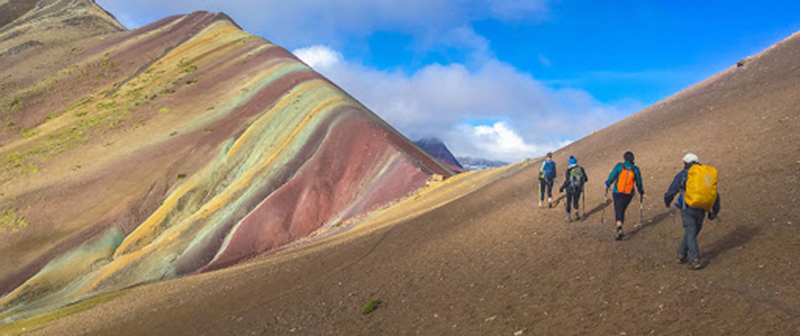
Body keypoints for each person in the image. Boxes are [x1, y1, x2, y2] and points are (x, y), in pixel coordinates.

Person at [664, 153, 721, 270]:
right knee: (693, 231)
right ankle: (682, 254)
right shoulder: (703, 175)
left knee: (690, 231)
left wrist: (667, 201)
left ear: (685, 163)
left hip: (688, 207)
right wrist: (715, 210)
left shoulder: (683, 174)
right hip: (702, 208)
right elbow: (713, 192)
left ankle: (694, 259)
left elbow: (672, 189)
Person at [605, 151, 644, 240]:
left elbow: (612, 176)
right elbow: (639, 182)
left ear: (624, 158)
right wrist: (641, 191)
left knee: (618, 209)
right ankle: (620, 226)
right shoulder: (635, 169)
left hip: (617, 192)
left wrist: (608, 183)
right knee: (622, 209)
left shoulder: (619, 166)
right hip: (628, 194)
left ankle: (619, 228)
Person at [559, 155, 588, 222]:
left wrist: (562, 188)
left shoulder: (569, 170)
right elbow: (586, 179)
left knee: (569, 202)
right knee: (576, 200)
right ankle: (576, 210)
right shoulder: (581, 168)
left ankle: (568, 217)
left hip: (570, 188)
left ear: (569, 162)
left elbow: (567, 181)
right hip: (579, 188)